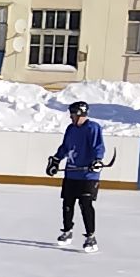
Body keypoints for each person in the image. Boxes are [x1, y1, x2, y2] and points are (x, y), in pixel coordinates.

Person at [47, 101, 106, 253]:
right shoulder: (71, 129)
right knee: (67, 203)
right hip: (71, 172)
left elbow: (98, 146)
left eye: (73, 114)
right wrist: (56, 159)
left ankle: (91, 237)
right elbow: (65, 147)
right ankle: (67, 232)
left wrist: (97, 160)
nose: (71, 117)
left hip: (88, 175)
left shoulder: (93, 127)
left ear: (80, 113)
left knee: (85, 204)